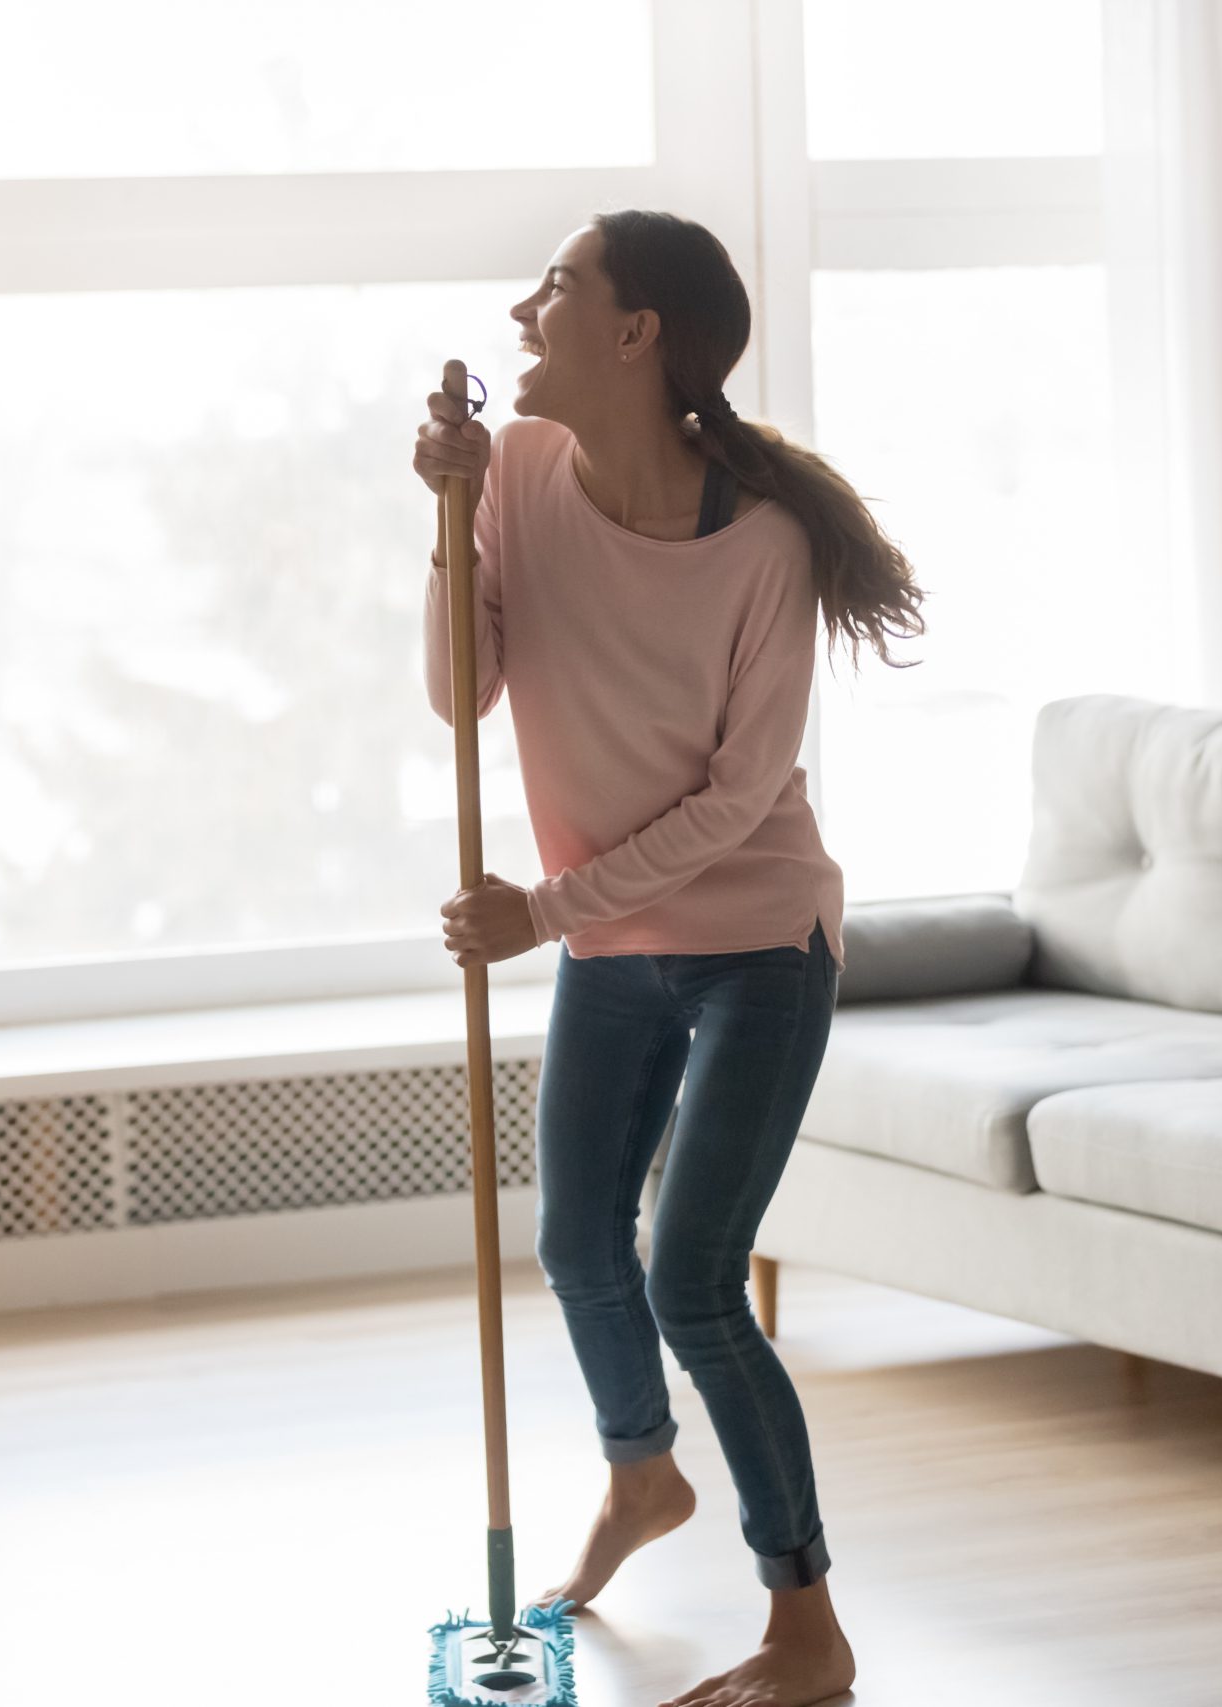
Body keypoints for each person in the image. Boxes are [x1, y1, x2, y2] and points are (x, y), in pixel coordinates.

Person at [413, 209, 924, 1707]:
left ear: (637, 336)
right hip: (612, 939)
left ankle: (807, 1627)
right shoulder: (514, 470)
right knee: (578, 1244)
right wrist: (443, 522)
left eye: (557, 289)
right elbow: (462, 696)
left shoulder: (760, 548)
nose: (524, 308)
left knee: (689, 1277)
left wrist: (546, 911)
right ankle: (645, 1477)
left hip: (757, 938)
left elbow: (741, 801)